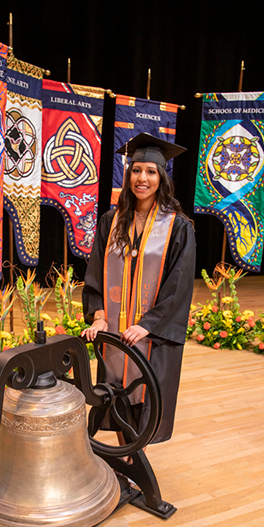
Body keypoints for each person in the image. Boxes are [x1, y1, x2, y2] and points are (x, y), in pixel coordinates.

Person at [81, 133, 195, 444]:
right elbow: (95, 274)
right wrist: (99, 317)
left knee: (145, 397)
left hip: (150, 336)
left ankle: (133, 459)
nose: (141, 178)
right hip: (115, 331)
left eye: (150, 172)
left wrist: (147, 325)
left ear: (162, 178)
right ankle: (126, 459)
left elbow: (179, 283)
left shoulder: (177, 226)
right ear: (128, 173)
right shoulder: (111, 221)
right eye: (136, 170)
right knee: (116, 392)